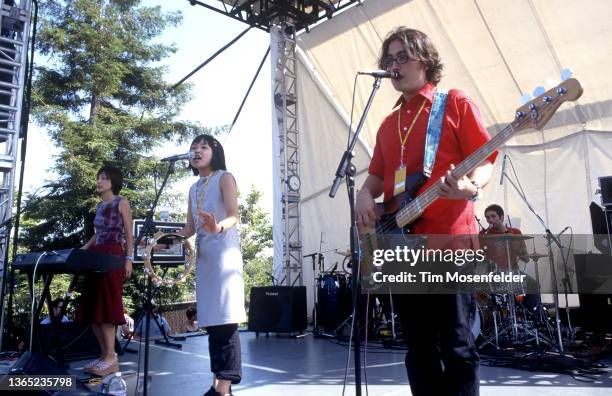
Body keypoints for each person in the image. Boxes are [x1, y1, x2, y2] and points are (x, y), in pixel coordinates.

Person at [355, 27, 497, 396]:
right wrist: (364, 196)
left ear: (426, 60)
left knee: (458, 346)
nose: (394, 65)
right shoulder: (388, 123)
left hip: (449, 242)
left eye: (403, 57)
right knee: (418, 349)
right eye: (390, 59)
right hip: (402, 246)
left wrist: (473, 186)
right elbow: (376, 176)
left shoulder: (454, 103)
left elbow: (486, 157)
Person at [175, 134, 246, 396]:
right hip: (204, 260)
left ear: (215, 152)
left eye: (203, 147)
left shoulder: (225, 177)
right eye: (193, 148)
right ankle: (219, 385)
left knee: (225, 321)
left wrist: (217, 227)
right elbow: (189, 228)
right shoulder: (193, 189)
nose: (197, 151)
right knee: (212, 323)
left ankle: (223, 386)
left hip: (224, 257)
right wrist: (162, 241)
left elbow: (233, 216)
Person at [77, 165, 133, 377]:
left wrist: (128, 260)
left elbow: (128, 234)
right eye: (98, 178)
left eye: (103, 178)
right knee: (93, 310)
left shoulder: (122, 203)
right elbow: (96, 234)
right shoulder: (100, 206)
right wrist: (82, 251)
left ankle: (111, 356)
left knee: (107, 309)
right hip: (96, 256)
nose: (99, 181)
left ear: (113, 182)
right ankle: (103, 356)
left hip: (113, 255)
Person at [479, 204, 529, 271]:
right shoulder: (483, 234)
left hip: (513, 271)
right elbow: (479, 258)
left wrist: (517, 250)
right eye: (487, 217)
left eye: (493, 216)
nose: (490, 220)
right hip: (492, 272)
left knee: (532, 282)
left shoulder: (516, 232)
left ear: (501, 217)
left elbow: (526, 259)